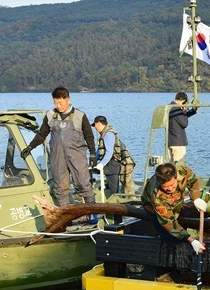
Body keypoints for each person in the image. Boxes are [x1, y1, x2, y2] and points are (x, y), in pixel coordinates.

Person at [20, 86, 98, 224]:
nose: (58, 105)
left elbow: (89, 136)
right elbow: (42, 134)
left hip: (76, 156)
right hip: (58, 157)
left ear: (68, 100)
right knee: (61, 188)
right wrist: (30, 147)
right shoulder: (50, 115)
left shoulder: (80, 115)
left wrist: (92, 154)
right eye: (55, 102)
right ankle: (66, 215)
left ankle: (92, 212)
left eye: (60, 102)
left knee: (83, 184)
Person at [141, 162, 207, 253]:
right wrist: (191, 240)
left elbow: (192, 181)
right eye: (165, 187)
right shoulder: (157, 197)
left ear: (176, 177)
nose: (170, 189)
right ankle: (168, 258)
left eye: (172, 185)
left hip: (177, 201)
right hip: (153, 208)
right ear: (160, 183)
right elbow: (169, 223)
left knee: (182, 223)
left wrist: (196, 198)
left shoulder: (181, 169)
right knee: (168, 236)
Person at [91, 115, 135, 195]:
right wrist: (94, 160)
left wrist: (101, 164)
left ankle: (121, 201)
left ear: (99, 123)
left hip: (118, 163)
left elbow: (109, 152)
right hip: (111, 163)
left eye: (95, 125)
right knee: (91, 171)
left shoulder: (108, 134)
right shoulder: (103, 135)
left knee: (124, 187)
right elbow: (99, 151)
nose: (95, 128)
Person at [168, 91, 198, 162]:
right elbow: (184, 123)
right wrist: (183, 111)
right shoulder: (176, 109)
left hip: (170, 141)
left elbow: (179, 118)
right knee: (179, 165)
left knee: (171, 166)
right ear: (183, 101)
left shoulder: (170, 107)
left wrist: (192, 111)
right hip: (178, 142)